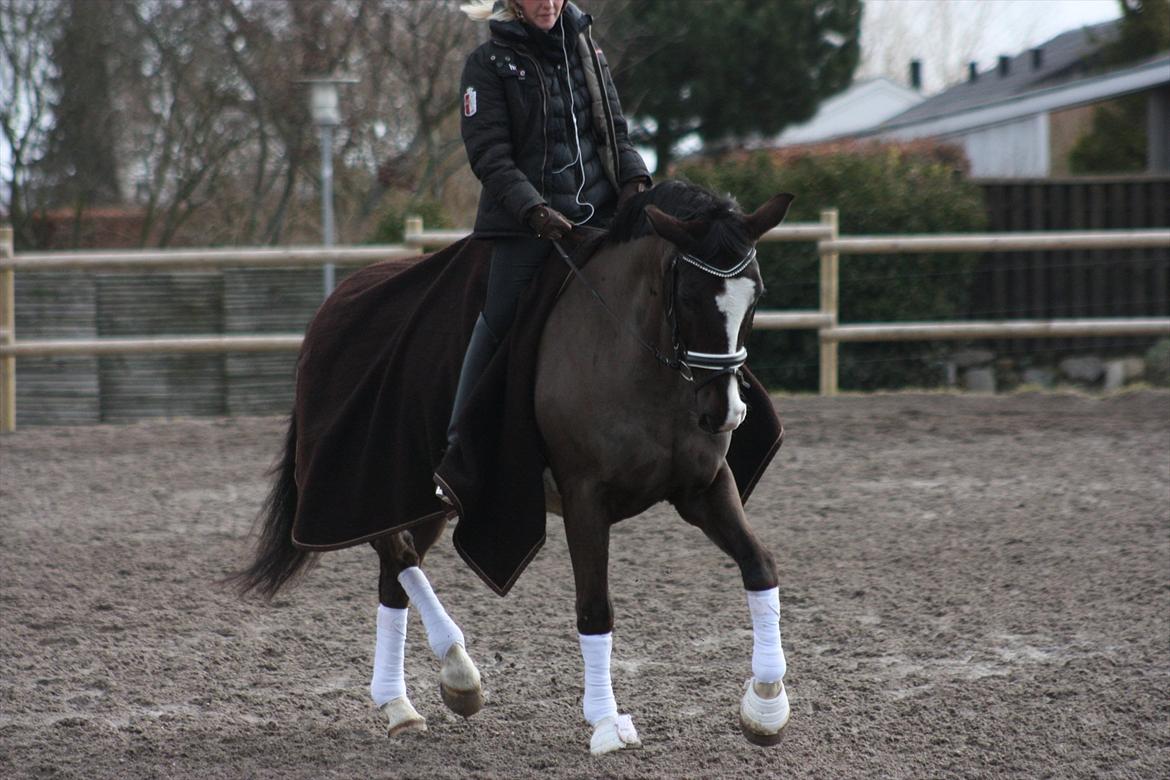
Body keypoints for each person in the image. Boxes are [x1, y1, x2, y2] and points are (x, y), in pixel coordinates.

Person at [448, 0, 651, 449]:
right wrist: (534, 210)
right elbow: (489, 157)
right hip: (527, 227)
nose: (548, 3)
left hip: (603, 216)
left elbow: (617, 133)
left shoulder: (588, 51)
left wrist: (636, 178)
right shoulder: (486, 66)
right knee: (498, 318)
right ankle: (461, 444)